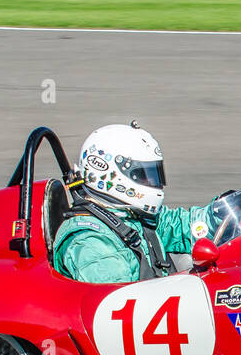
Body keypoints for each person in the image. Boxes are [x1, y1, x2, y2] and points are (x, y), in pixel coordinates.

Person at [53, 121, 221, 283]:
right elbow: (117, 301)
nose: (153, 182)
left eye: (154, 174)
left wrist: (225, 211)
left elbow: (184, 226)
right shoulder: (90, 242)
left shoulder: (132, 215)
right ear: (112, 174)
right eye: (143, 175)